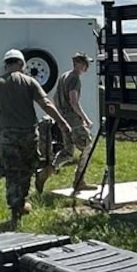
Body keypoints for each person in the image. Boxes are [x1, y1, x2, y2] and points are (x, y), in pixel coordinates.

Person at [0, 49, 71, 229]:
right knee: (26, 170)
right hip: (28, 135)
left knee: (12, 172)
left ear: (6, 65)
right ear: (21, 64)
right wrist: (62, 122)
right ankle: (22, 201)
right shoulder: (29, 82)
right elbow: (46, 103)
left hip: (7, 136)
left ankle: (15, 207)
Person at [41, 52, 96, 193]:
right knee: (88, 147)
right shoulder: (74, 78)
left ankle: (49, 170)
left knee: (68, 152)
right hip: (74, 120)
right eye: (85, 64)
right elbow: (74, 101)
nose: (87, 67)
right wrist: (85, 118)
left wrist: (60, 117)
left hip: (64, 120)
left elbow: (55, 98)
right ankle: (79, 181)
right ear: (78, 64)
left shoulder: (64, 76)